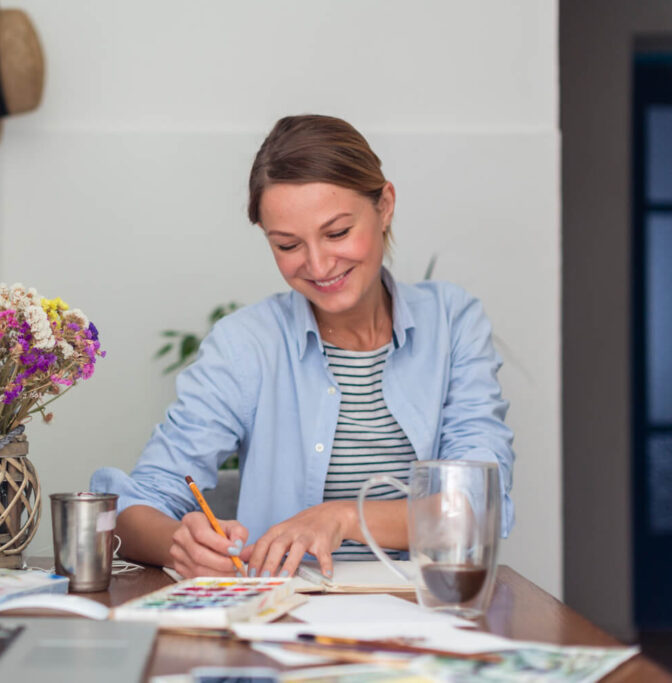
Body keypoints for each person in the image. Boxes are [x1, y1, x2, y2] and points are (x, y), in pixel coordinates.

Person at [90, 114, 515, 580]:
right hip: (288, 619)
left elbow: (477, 507)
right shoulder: (245, 345)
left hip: (427, 611)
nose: (318, 264)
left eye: (336, 233)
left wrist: (343, 517)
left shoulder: (453, 323)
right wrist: (179, 546)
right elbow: (133, 508)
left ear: (385, 204)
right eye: (288, 244)